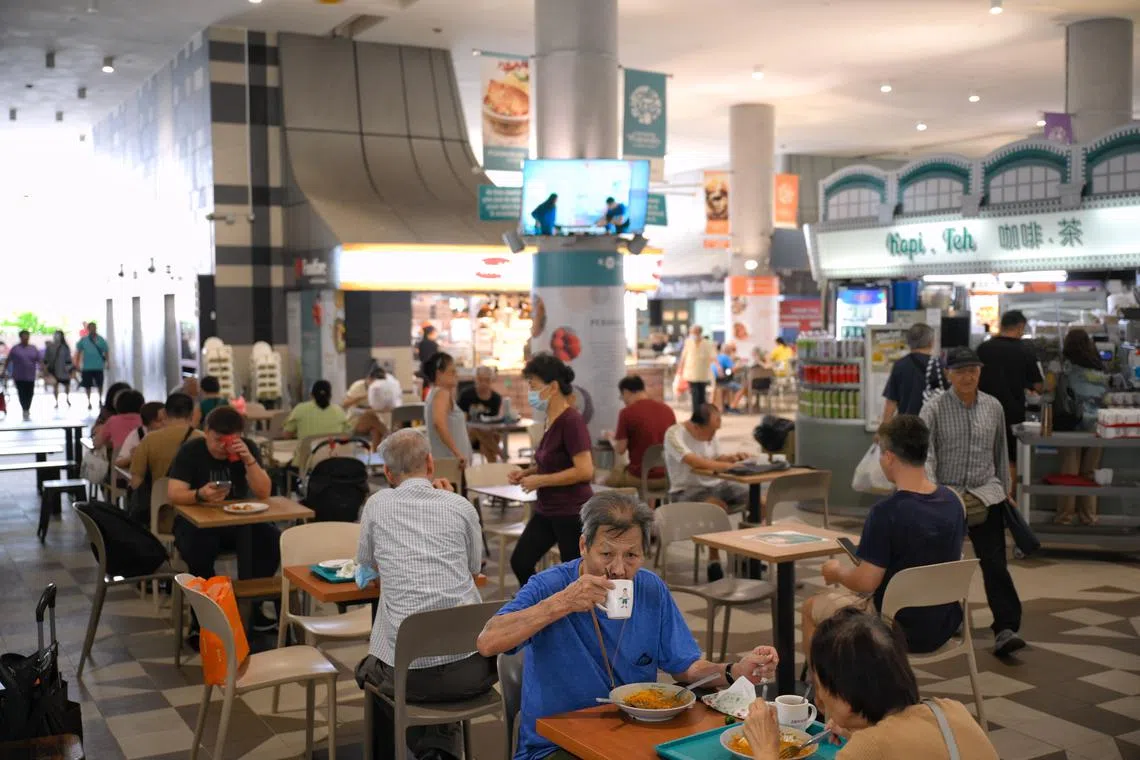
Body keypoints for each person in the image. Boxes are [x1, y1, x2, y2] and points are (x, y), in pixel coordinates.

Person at [476, 491, 779, 760]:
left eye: (632, 555)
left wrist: (735, 671)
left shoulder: (650, 588)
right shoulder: (550, 585)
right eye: (606, 554)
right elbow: (488, 641)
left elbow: (685, 667)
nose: (619, 569)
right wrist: (563, 602)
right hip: (556, 743)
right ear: (584, 545)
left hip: (638, 731)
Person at [354, 429, 495, 760]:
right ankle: (437, 747)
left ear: (388, 473)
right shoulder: (460, 506)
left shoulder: (376, 505)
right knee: (429, 660)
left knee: (373, 667)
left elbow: (365, 569)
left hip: (409, 677)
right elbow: (475, 568)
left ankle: (421, 748)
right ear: (431, 464)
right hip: (474, 671)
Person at [802, 415, 966, 656]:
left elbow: (865, 583)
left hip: (894, 627)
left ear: (889, 457)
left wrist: (836, 571)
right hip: (944, 623)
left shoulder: (886, 512)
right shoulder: (953, 501)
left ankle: (823, 691)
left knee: (810, 608)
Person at [741, 609, 997, 760]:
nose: (818, 700)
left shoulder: (867, 749)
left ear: (846, 695)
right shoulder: (951, 709)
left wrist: (766, 749)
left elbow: (882, 748)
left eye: (819, 685)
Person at [921, 347, 1024, 658]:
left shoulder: (993, 407)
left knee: (995, 564)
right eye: (961, 371)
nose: (968, 376)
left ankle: (1006, 628)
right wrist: (930, 493)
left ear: (980, 372)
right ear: (949, 374)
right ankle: (947, 620)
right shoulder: (934, 408)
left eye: (973, 370)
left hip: (986, 494)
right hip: (946, 496)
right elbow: (927, 454)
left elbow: (1000, 451)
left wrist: (1006, 491)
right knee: (944, 563)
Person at [168, 406, 278, 639]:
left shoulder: (247, 450)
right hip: (196, 521)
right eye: (218, 439)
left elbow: (264, 492)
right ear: (206, 432)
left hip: (238, 521)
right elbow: (174, 493)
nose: (222, 446)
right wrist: (199, 494)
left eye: (229, 440)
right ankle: (204, 619)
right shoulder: (191, 451)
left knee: (270, 539)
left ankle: (252, 608)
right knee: (199, 548)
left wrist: (248, 459)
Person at [508, 354, 594, 585]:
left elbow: (585, 470)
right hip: (548, 510)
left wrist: (541, 481)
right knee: (521, 561)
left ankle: (570, 617)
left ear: (553, 387)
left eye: (533, 386)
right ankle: (543, 606)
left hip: (571, 512)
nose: (530, 392)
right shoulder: (551, 420)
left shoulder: (571, 421)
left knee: (575, 576)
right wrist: (528, 473)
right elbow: (555, 460)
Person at [664, 403, 749, 582]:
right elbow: (693, 461)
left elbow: (712, 459)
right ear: (696, 427)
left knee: (760, 503)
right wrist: (728, 466)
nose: (713, 436)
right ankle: (714, 561)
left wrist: (729, 458)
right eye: (711, 431)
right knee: (715, 508)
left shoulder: (710, 435)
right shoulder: (674, 434)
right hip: (686, 491)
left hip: (716, 485)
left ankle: (749, 554)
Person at [977, 310, 1044, 483]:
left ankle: (986, 499)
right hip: (1013, 412)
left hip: (982, 411)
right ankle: (1008, 500)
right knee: (1010, 458)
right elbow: (1038, 385)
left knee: (985, 455)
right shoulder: (1024, 350)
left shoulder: (983, 348)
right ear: (1020, 326)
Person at [1055, 328, 1109, 525]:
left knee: (1069, 473)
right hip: (1098, 425)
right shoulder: (1099, 366)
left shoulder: (1067, 367)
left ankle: (1065, 517)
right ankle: (1089, 516)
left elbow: (1054, 392)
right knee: (1090, 473)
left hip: (1071, 423)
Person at [129, 393, 202, 529]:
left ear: (164, 413)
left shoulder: (149, 439)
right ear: (192, 414)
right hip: (195, 516)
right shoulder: (203, 439)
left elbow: (135, 481)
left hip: (159, 517)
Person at [603, 375, 675, 491]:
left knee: (606, 480)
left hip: (640, 477)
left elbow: (620, 450)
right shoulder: (667, 410)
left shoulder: (626, 413)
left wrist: (611, 438)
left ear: (626, 392)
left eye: (622, 397)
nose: (624, 401)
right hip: (668, 476)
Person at [881, 323, 941, 425]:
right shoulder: (939, 365)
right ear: (931, 343)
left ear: (908, 342)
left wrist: (883, 428)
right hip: (932, 425)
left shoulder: (899, 365)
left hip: (905, 427)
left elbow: (891, 402)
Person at [283, 380, 350, 467]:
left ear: (311, 395)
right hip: (333, 462)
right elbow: (346, 436)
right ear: (330, 396)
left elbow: (286, 435)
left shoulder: (299, 409)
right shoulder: (339, 410)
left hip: (306, 465)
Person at [423, 352, 473, 468]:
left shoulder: (436, 393)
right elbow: (439, 424)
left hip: (449, 462)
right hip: (451, 463)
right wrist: (457, 453)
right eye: (452, 372)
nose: (456, 375)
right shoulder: (441, 393)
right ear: (439, 374)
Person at [458, 366, 504, 463]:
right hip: (469, 436)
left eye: (487, 380)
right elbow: (462, 420)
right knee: (474, 428)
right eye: (480, 380)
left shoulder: (496, 398)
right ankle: (500, 453)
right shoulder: (466, 395)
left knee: (486, 444)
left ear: (491, 381)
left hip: (488, 436)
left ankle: (491, 468)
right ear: (475, 379)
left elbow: (493, 422)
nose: (483, 383)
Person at [678, 325, 717, 412]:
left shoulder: (707, 343)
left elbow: (713, 356)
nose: (693, 334)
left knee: (702, 394)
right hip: (691, 372)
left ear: (699, 332)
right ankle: (696, 413)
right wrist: (680, 369)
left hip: (703, 372)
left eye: (694, 332)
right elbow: (683, 356)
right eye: (692, 332)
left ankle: (702, 413)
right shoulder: (688, 342)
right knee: (694, 393)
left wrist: (718, 366)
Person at [116, 400, 166, 468]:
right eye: (158, 421)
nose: (164, 423)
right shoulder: (137, 434)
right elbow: (119, 462)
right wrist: (133, 457)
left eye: (166, 419)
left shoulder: (171, 432)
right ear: (147, 423)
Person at [6, 331, 41, 421]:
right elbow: (8, 360)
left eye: (27, 337)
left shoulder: (33, 348)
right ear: (20, 337)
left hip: (30, 376)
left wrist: (44, 371)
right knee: (21, 393)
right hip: (19, 376)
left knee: (30, 393)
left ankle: (27, 407)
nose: (26, 339)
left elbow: (39, 360)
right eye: (24, 337)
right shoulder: (15, 349)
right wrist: (4, 371)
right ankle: (24, 409)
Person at [74, 322, 110, 410]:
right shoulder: (84, 340)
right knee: (87, 385)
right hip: (87, 367)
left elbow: (106, 351)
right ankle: (89, 401)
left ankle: (100, 400)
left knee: (100, 384)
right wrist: (77, 364)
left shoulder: (101, 339)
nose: (92, 329)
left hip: (98, 366)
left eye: (94, 327)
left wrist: (108, 362)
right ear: (88, 329)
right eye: (91, 328)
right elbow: (78, 352)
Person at [43, 330, 74, 409]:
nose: (57, 336)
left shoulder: (65, 347)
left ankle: (67, 398)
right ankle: (56, 401)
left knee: (66, 385)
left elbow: (68, 359)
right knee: (55, 386)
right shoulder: (50, 347)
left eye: (59, 335)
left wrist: (70, 370)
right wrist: (45, 370)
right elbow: (46, 360)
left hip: (64, 370)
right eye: (56, 335)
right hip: (54, 370)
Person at [712, 342, 745, 412]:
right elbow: (733, 369)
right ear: (728, 350)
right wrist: (739, 365)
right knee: (741, 388)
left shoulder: (718, 357)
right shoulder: (726, 357)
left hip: (717, 381)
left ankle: (727, 404)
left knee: (732, 385)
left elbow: (728, 370)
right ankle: (733, 407)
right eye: (731, 349)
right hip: (724, 381)